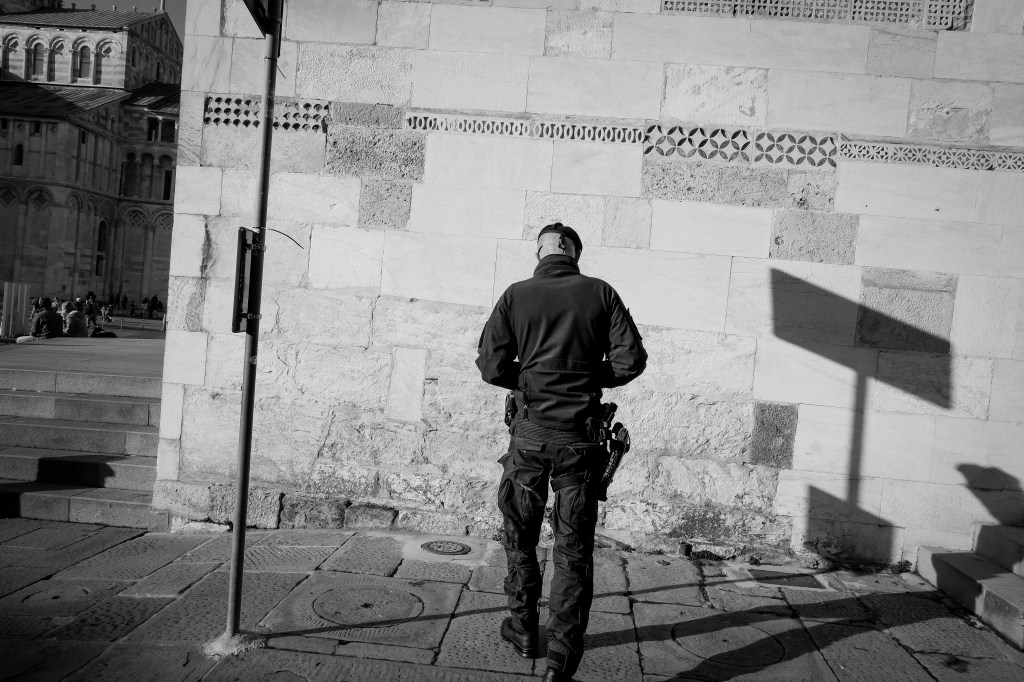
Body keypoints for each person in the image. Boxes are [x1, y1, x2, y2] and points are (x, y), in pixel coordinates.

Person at [476, 223, 647, 682]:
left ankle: (524, 628)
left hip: (529, 438)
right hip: (579, 444)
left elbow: (491, 366)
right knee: (573, 551)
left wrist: (530, 379)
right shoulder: (601, 293)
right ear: (573, 251)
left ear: (541, 251)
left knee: (521, 538)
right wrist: (589, 378)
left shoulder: (516, 295)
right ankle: (561, 661)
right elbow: (631, 362)